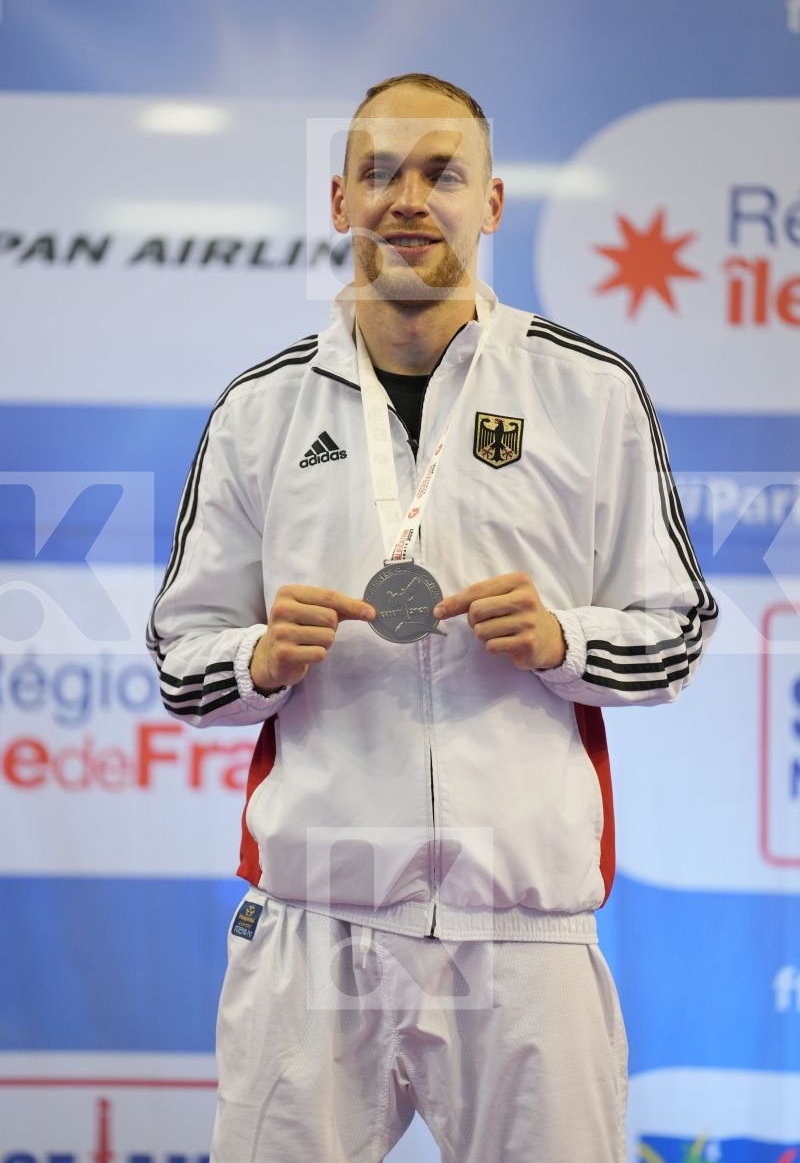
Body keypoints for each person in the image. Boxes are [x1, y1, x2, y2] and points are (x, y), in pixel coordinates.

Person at [146, 72, 717, 1163]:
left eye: (439, 172)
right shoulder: (258, 410)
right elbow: (180, 660)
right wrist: (260, 659)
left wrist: (563, 641)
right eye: (378, 172)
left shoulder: (586, 393)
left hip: (523, 927)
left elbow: (675, 634)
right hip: (316, 919)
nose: (407, 197)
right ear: (337, 200)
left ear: (490, 203)